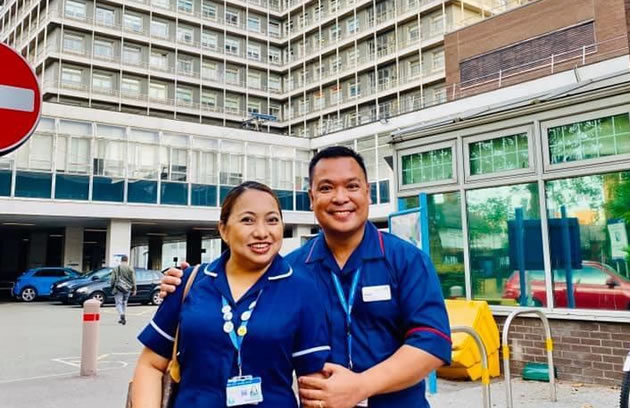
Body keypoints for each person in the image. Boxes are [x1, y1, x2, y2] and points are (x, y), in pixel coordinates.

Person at [161, 146, 452, 408]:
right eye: (326, 188)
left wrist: (361, 386)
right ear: (311, 198)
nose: (340, 198)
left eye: (352, 186)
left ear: (368, 192)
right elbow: (237, 299)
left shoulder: (407, 260)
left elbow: (432, 342)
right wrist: (186, 282)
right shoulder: (290, 269)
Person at [131, 181, 330, 407]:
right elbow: (151, 365)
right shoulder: (189, 282)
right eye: (247, 220)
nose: (262, 232)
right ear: (223, 229)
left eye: (272, 220)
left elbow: (313, 382)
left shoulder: (302, 290)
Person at [110, 255, 136, 325]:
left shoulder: (116, 268)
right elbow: (134, 280)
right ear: (127, 260)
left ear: (121, 260)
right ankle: (122, 316)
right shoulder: (130, 268)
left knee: (119, 303)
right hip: (128, 288)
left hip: (118, 288)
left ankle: (121, 315)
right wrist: (134, 289)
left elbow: (112, 279)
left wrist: (112, 286)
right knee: (124, 302)